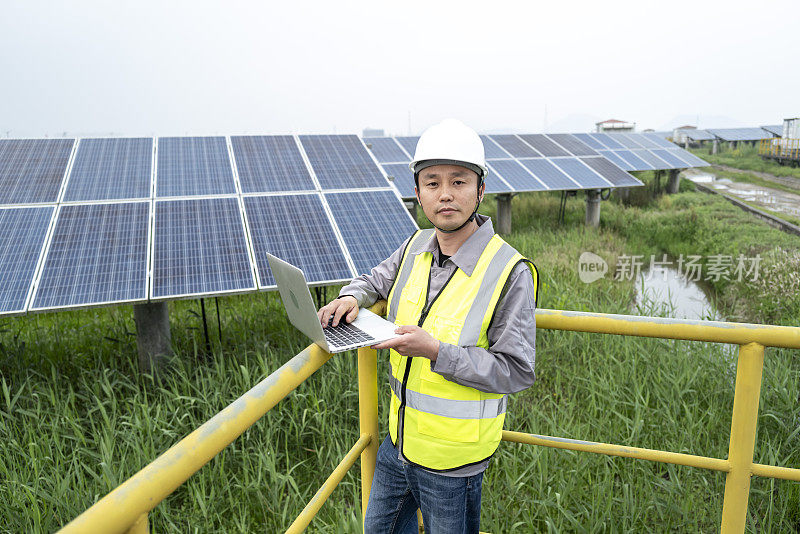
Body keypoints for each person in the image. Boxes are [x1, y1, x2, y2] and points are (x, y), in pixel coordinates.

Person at [317, 119, 538, 534]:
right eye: (432, 183)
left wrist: (436, 351)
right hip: (397, 445)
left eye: (459, 181)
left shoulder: (509, 270)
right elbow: (374, 280)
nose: (446, 194)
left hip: (453, 465)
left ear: (480, 191)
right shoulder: (416, 245)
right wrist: (351, 296)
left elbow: (516, 369)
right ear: (417, 193)